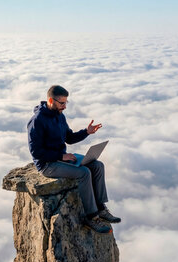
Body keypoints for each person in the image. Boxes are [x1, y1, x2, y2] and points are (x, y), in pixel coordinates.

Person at [27, 85, 120, 233]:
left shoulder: (59, 116)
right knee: (84, 173)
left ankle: (101, 208)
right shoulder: (37, 121)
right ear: (51, 100)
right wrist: (60, 156)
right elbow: (36, 152)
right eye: (61, 103)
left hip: (60, 159)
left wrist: (86, 132)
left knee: (97, 165)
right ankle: (91, 217)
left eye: (66, 103)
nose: (64, 106)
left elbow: (69, 138)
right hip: (47, 164)